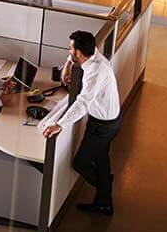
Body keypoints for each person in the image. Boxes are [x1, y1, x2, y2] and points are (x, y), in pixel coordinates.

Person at [42, 31, 121, 216]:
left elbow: (83, 103)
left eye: (70, 48)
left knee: (80, 163)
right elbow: (74, 54)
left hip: (103, 125)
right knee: (101, 160)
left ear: (78, 52)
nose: (68, 50)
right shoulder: (93, 54)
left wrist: (60, 124)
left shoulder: (94, 73)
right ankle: (104, 202)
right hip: (108, 120)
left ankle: (105, 187)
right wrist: (67, 65)